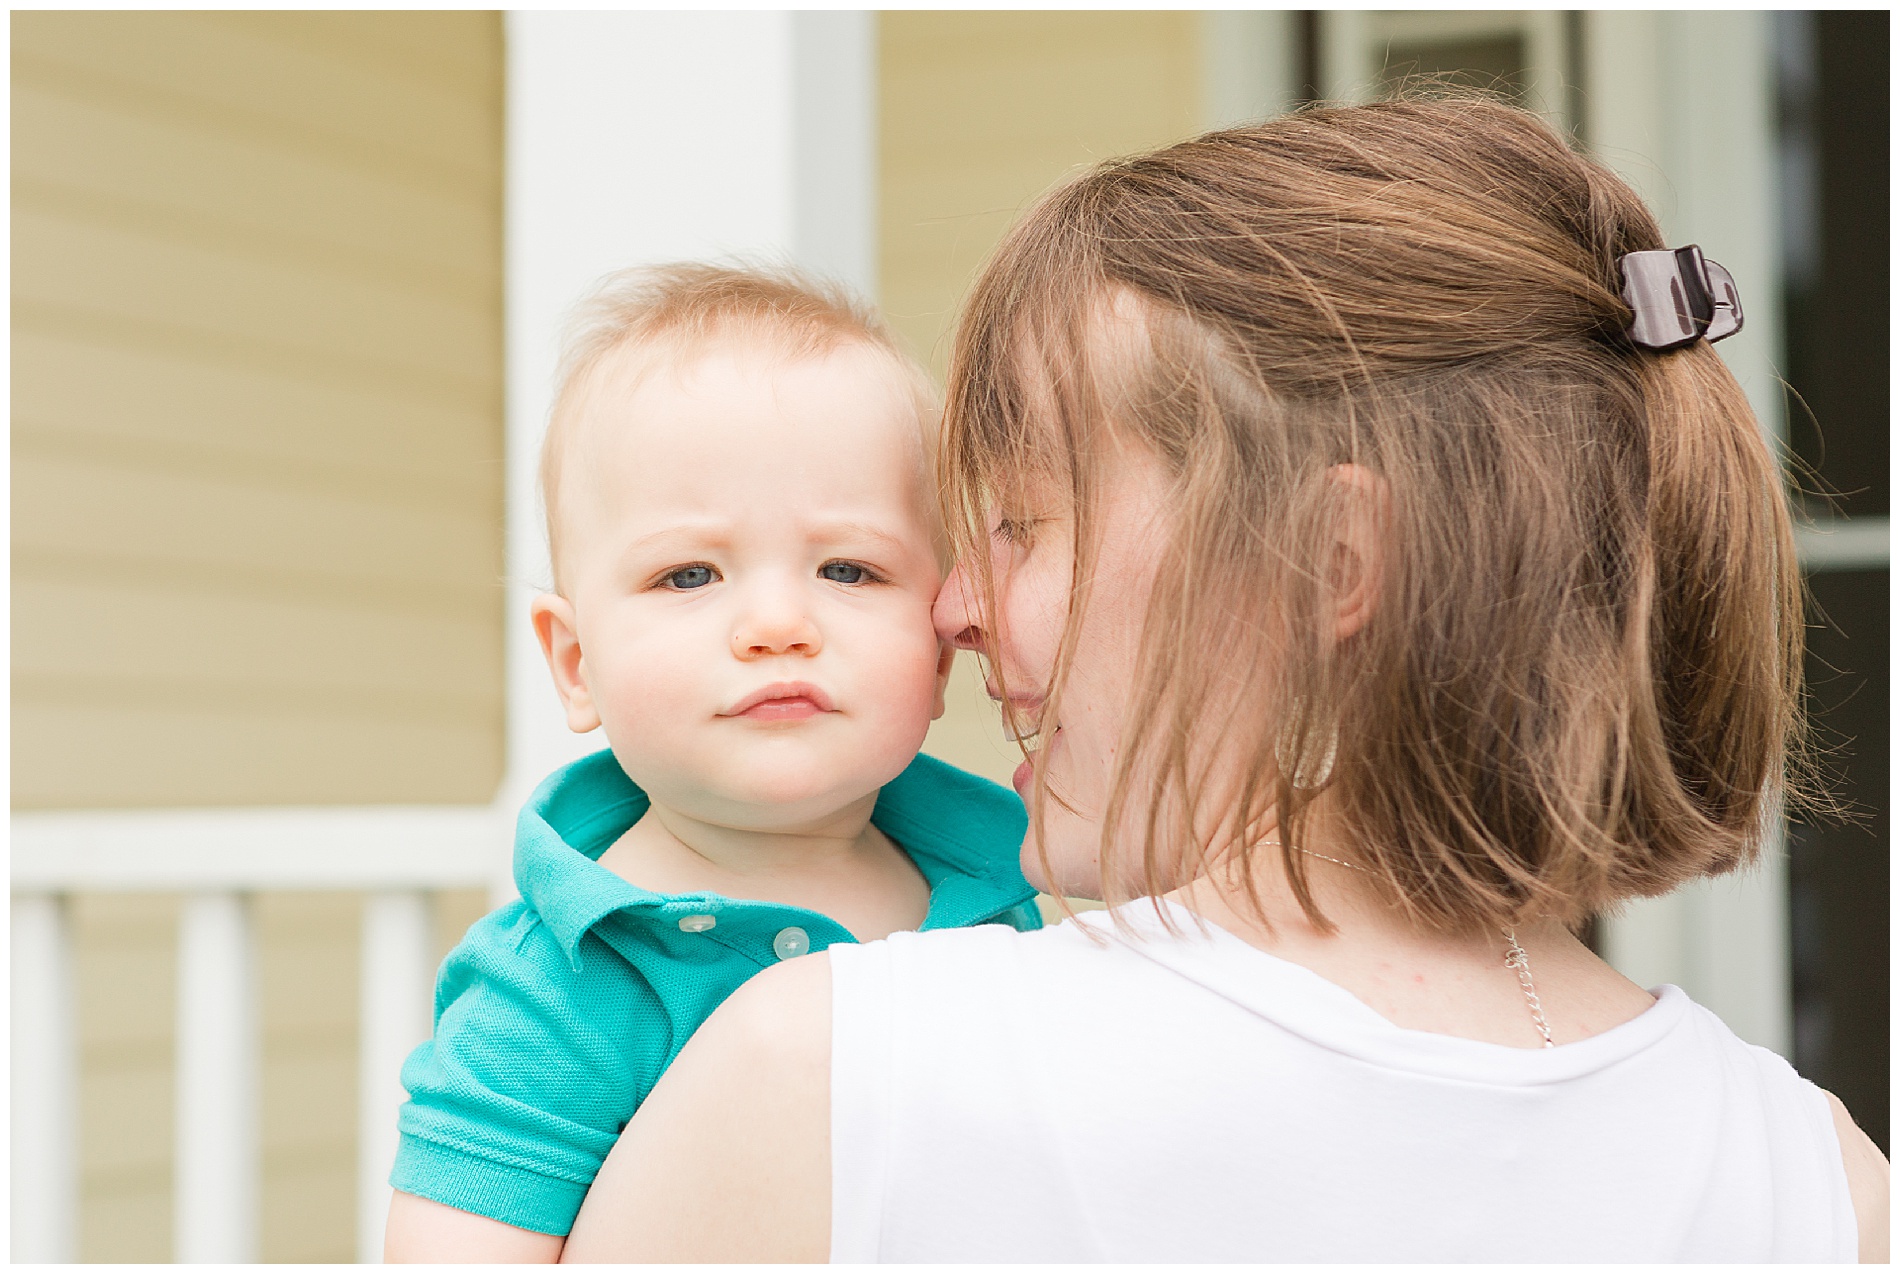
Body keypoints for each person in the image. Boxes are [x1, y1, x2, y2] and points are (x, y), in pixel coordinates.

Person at [558, 99, 1890, 1262]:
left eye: (1025, 518)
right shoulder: (1823, 1185)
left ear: (1330, 560)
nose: (953, 606)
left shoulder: (831, 1079)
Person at [381, 266, 1041, 1261]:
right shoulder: (564, 982)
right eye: (688, 573)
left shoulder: (1006, 894)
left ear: (940, 648)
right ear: (575, 664)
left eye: (847, 569)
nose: (778, 623)